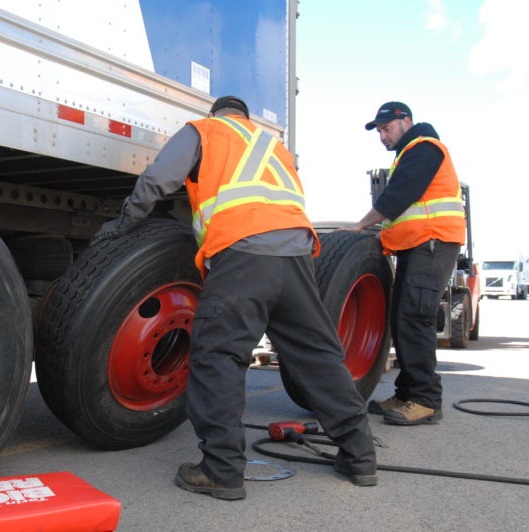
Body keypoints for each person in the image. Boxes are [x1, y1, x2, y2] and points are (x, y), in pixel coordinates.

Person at [92, 96, 377, 500]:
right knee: (318, 357)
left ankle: (221, 470)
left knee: (218, 357)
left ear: (216, 115)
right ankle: (360, 456)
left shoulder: (205, 131)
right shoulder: (274, 147)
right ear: (245, 117)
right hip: (297, 258)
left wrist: (126, 220)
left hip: (243, 255)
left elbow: (159, 178)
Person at [341, 101, 465, 425]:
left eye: (387, 128)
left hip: (433, 242)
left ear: (405, 121)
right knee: (402, 318)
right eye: (379, 131)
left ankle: (425, 401)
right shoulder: (411, 152)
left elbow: (399, 195)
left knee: (415, 318)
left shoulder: (425, 148)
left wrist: (361, 225)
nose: (383, 136)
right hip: (418, 245)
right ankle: (407, 393)